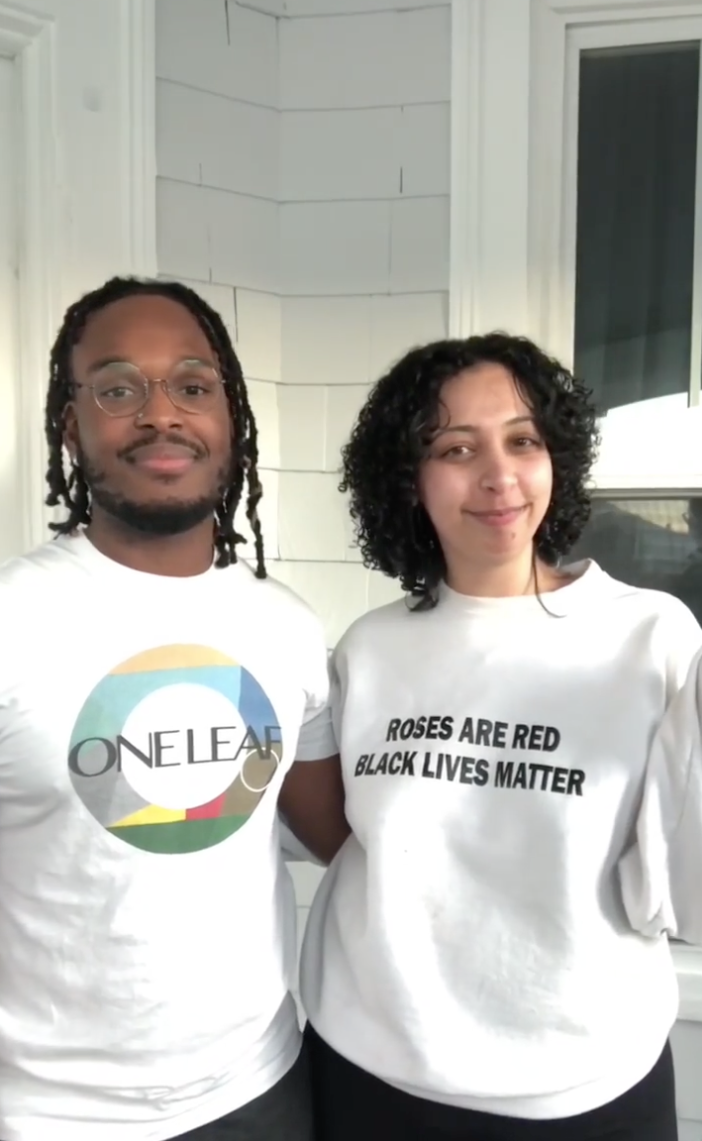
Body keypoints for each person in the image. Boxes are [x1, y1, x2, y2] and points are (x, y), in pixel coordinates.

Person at [298, 334, 702, 1141]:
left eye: (523, 440)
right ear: (409, 480)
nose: (499, 476)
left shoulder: (652, 640)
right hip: (369, 1074)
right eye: (455, 448)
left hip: (585, 1090)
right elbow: (349, 837)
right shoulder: (370, 647)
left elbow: (684, 889)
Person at [0, 276, 342, 1141]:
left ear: (229, 421)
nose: (161, 415)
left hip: (258, 1094)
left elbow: (346, 836)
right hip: (44, 1113)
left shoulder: (288, 630)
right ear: (71, 426)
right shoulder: (11, 620)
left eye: (192, 386)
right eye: (118, 389)